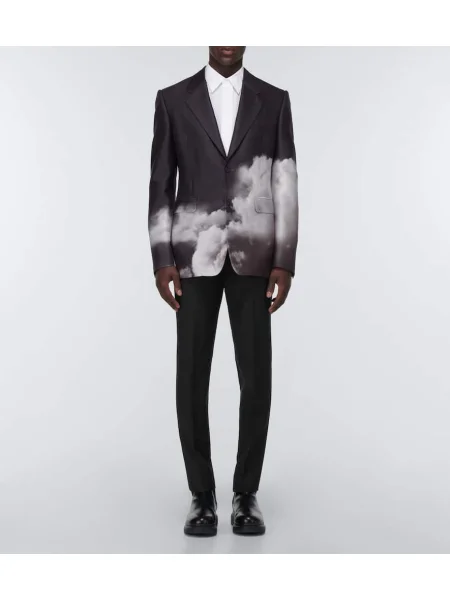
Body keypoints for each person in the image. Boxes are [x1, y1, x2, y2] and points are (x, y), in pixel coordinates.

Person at [148, 46, 298, 536]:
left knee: (256, 377)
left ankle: (245, 493)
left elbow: (285, 184)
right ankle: (201, 494)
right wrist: (162, 258)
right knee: (192, 376)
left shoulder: (274, 101)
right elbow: (160, 183)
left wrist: (284, 260)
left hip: (255, 255)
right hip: (193, 255)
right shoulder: (173, 100)